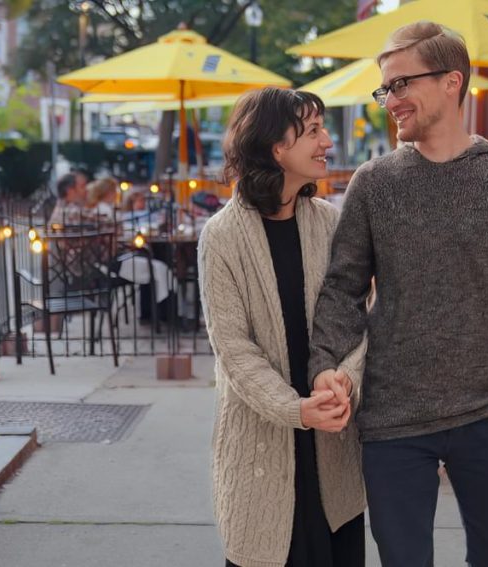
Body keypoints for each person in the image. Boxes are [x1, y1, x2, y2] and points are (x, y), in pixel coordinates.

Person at [308, 22, 488, 567]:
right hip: (392, 420)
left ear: (452, 81)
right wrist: (326, 365)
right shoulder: (374, 183)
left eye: (401, 85)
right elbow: (342, 291)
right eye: (385, 89)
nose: (390, 101)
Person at [197, 87, 367, 567]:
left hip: (332, 444)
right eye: (313, 131)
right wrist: (296, 410)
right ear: (276, 147)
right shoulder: (222, 237)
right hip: (260, 450)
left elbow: (361, 315)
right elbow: (233, 349)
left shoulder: (333, 224)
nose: (326, 142)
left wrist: (345, 380)